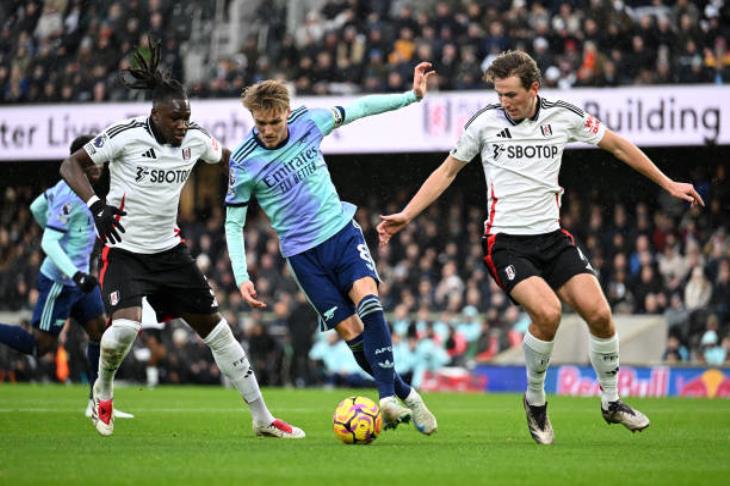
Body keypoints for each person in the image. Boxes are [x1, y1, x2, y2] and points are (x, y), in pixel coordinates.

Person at [377, 50, 705, 445]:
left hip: (551, 237)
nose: (504, 102)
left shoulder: (562, 116)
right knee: (548, 313)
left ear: (534, 88)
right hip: (506, 243)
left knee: (600, 314)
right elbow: (447, 171)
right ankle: (535, 401)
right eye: (499, 94)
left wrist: (668, 183)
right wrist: (407, 215)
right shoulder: (484, 124)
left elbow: (617, 146)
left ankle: (612, 402)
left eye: (511, 95)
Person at [58, 39, 304, 439]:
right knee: (122, 331)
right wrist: (95, 205)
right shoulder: (126, 136)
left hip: (170, 254)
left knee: (219, 333)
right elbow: (71, 164)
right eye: (175, 119)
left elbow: (229, 158)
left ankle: (262, 418)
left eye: (187, 118)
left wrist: (264, 176)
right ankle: (102, 393)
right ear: (155, 114)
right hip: (124, 252)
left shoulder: (194, 140)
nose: (182, 125)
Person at [225, 62, 438, 434]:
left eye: (275, 122)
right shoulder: (244, 162)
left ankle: (386, 397)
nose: (269, 131)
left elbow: (361, 109)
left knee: (369, 302)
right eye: (261, 125)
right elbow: (233, 222)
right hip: (303, 257)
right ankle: (408, 395)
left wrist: (411, 97)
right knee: (354, 339)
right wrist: (241, 275)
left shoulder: (311, 121)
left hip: (340, 233)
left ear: (287, 113)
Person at [0, 135, 133, 420]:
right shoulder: (68, 196)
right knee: (41, 346)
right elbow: (48, 243)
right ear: (81, 162)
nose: (101, 164)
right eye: (95, 159)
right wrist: (72, 269)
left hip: (82, 281)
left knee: (100, 333)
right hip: (60, 282)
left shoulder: (75, 190)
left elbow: (37, 206)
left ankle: (97, 403)